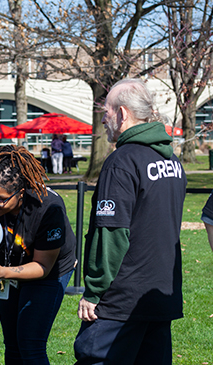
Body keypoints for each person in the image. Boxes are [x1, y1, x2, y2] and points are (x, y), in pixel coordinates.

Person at [74, 79, 187, 364]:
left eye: (107, 112)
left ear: (123, 114)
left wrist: (94, 290)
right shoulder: (173, 162)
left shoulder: (122, 161)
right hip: (160, 294)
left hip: (121, 300)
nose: (103, 119)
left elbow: (111, 233)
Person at [0, 145, 76, 365]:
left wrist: (4, 271)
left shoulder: (48, 208)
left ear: (20, 193)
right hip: (8, 266)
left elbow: (42, 266)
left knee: (30, 343)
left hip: (49, 271)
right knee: (12, 343)